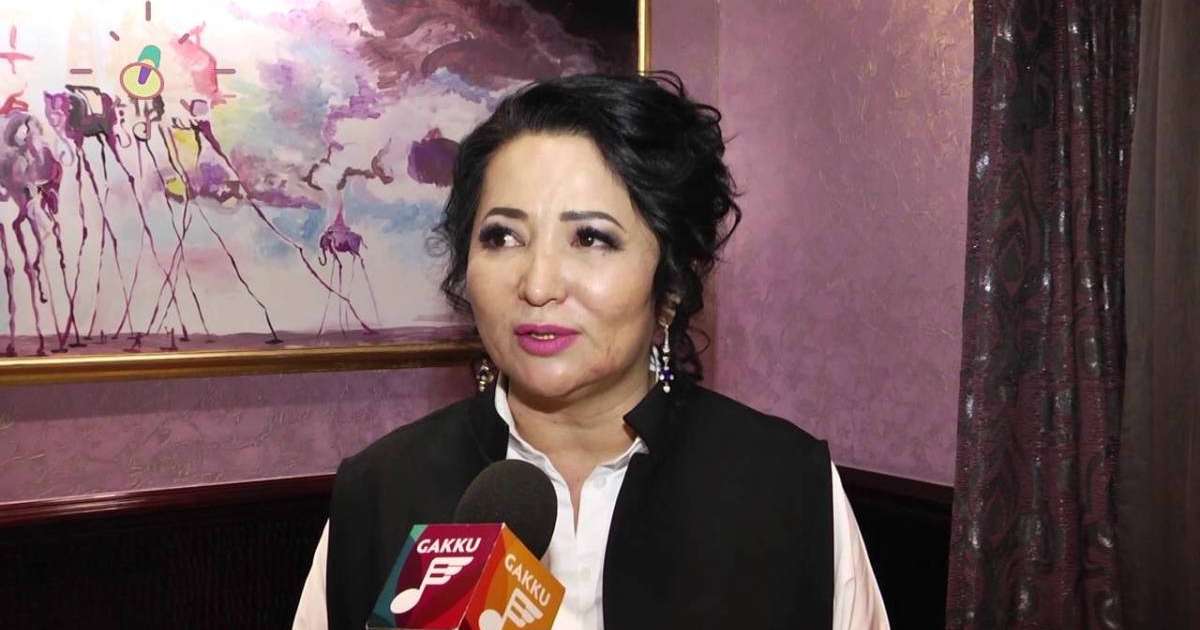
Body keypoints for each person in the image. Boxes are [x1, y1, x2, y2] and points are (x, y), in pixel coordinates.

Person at [292, 72, 889, 630]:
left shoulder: (785, 486)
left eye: (591, 238)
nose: (538, 285)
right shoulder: (381, 491)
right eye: (502, 236)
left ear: (672, 280)